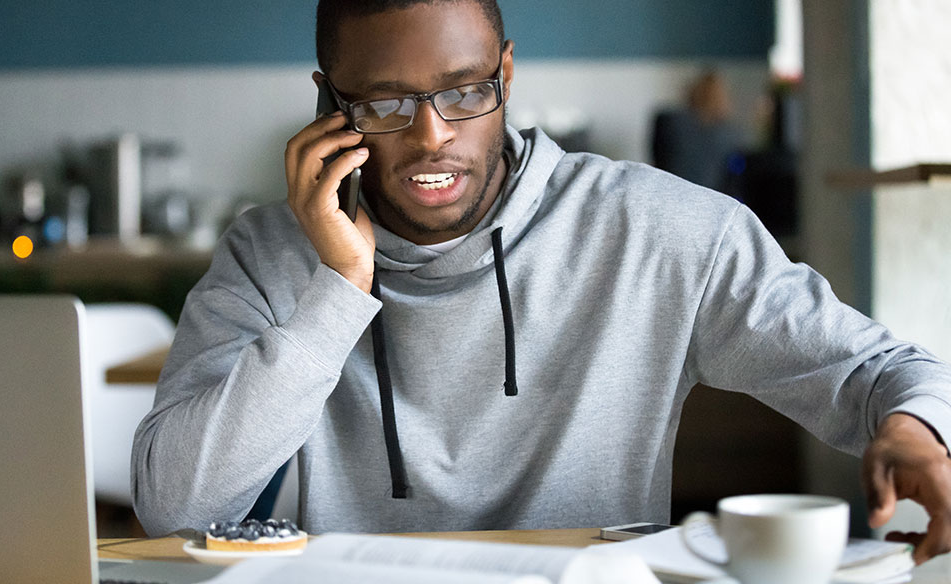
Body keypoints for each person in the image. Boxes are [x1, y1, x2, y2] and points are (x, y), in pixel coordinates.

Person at [132, 0, 951, 564]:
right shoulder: (269, 253)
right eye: (384, 103)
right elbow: (172, 506)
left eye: (465, 91)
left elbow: (878, 370)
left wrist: (917, 431)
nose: (432, 136)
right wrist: (341, 286)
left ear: (508, 75)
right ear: (328, 103)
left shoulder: (657, 230)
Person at [651, 70, 746, 193]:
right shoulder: (733, 134)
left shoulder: (668, 121)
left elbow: (657, 162)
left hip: (669, 196)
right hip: (712, 202)